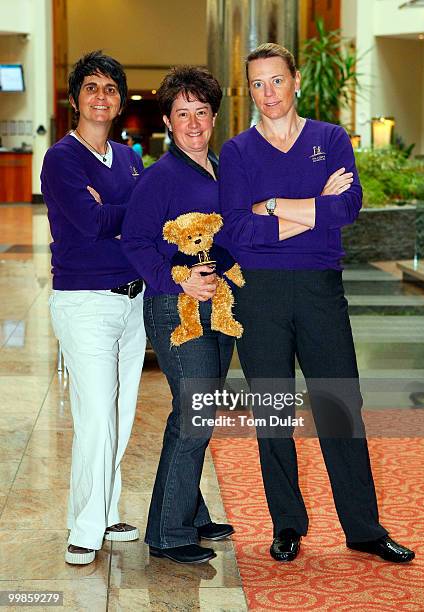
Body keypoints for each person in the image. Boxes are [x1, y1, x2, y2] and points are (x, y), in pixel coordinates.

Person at [219, 43, 415, 564]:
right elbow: (238, 231)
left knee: (339, 407)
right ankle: (287, 524)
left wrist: (274, 206)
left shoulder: (329, 139)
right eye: (257, 84)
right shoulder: (237, 151)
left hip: (320, 290)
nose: (268, 94)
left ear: (297, 79)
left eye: (276, 81)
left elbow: (347, 207)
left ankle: (364, 528)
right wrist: (313, 210)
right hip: (258, 295)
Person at [121, 66, 235, 565]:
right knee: (194, 413)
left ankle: (191, 509)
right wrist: (180, 279)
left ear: (213, 118)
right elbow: (136, 243)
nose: (193, 123)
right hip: (175, 308)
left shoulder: (222, 168)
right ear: (167, 120)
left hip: (219, 307)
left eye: (202, 113)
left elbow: (233, 234)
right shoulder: (160, 177)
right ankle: (168, 532)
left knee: (202, 408)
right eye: (183, 113)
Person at [41, 51, 146, 565]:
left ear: (120, 101)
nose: (101, 96)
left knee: (121, 415)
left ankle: (105, 509)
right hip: (84, 302)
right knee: (97, 417)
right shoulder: (61, 158)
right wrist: (122, 215)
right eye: (92, 87)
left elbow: (140, 222)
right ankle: (83, 527)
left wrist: (117, 213)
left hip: (134, 300)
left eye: (110, 88)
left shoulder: (129, 158)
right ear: (75, 98)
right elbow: (88, 224)